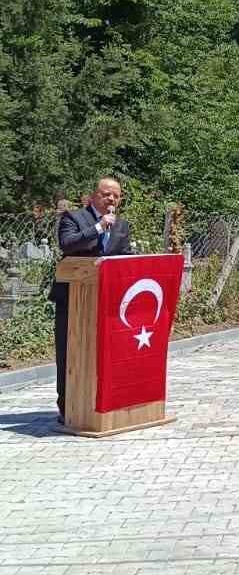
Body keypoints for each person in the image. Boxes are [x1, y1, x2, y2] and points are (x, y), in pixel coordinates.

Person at [52, 177, 131, 422]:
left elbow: (125, 257)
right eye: (106, 194)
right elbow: (67, 244)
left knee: (103, 355)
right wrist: (98, 228)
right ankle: (68, 409)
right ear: (94, 195)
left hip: (107, 302)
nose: (111, 200)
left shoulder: (122, 226)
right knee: (69, 353)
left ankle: (100, 404)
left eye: (116, 196)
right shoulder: (74, 218)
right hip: (74, 299)